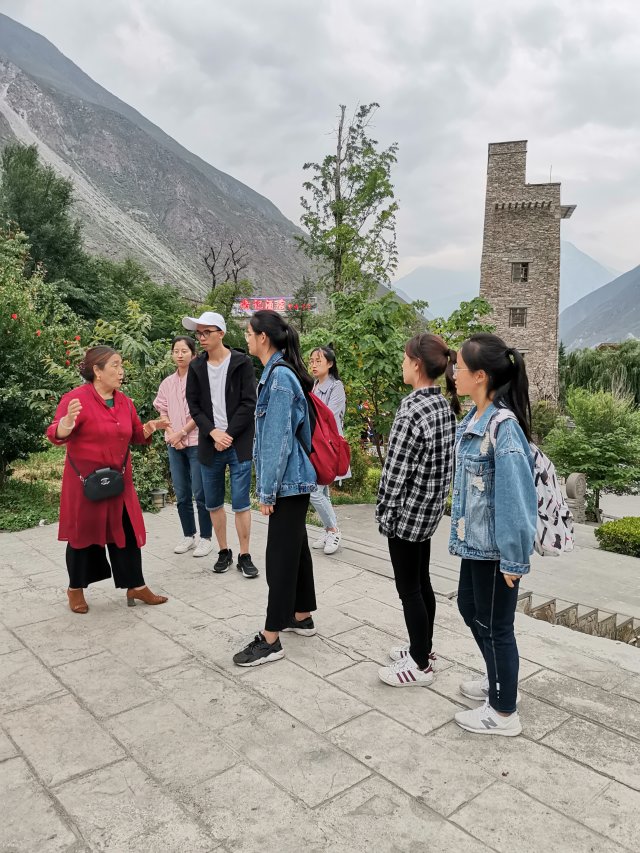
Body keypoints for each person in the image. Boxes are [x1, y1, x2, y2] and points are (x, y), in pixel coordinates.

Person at [449, 333, 537, 737]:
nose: (454, 373)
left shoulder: (503, 428)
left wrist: (514, 558)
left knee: (497, 625)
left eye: (460, 367)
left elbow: (516, 498)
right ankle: (496, 676)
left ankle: (503, 712)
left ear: (480, 375)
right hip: (475, 543)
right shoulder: (474, 420)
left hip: (497, 550)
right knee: (470, 608)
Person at [46, 346, 170, 613]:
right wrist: (66, 424)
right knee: (82, 534)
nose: (121, 371)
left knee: (126, 532)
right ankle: (75, 589)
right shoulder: (75, 399)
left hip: (118, 482)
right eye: (115, 365)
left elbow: (135, 434)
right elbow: (56, 433)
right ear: (97, 371)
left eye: (121, 365)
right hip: (86, 484)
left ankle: (136, 586)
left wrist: (149, 428)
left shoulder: (124, 402)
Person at [233, 310, 317, 667]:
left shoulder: (279, 378)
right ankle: (301, 615)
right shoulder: (280, 373)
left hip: (287, 481)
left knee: (279, 558)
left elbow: (276, 441)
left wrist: (266, 493)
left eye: (249, 334)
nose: (247, 339)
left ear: (263, 337)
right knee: (295, 549)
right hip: (294, 479)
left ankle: (271, 639)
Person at [376, 334, 458, 688]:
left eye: (404, 358)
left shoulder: (411, 410)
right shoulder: (443, 406)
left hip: (407, 513)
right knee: (422, 581)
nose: (402, 363)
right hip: (430, 510)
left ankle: (420, 664)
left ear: (417, 363)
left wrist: (385, 513)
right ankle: (422, 646)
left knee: (409, 588)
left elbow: (395, 473)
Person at [184, 311, 259, 579]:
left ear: (221, 334)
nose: (201, 338)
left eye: (207, 332)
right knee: (213, 502)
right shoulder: (196, 366)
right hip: (209, 443)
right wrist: (213, 433)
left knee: (241, 502)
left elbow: (249, 402)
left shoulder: (242, 363)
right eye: (199, 333)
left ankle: (244, 554)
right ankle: (224, 551)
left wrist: (227, 434)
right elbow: (194, 405)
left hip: (238, 444)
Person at [153, 336, 213, 557]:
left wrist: (182, 433)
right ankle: (188, 535)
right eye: (176, 351)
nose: (179, 355)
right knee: (181, 492)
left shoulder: (201, 381)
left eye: (184, 351)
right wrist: (172, 434)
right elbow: (162, 411)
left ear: (193, 354)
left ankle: (206, 538)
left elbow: (201, 412)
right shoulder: (167, 383)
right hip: (173, 443)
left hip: (196, 441)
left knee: (200, 492)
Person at [308, 345, 348, 555]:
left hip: (329, 446)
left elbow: (328, 417)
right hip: (316, 445)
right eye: (311, 361)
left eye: (318, 361)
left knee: (314, 490)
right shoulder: (314, 385)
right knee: (322, 490)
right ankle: (327, 530)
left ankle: (333, 530)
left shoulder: (336, 387)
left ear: (330, 363)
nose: (313, 365)